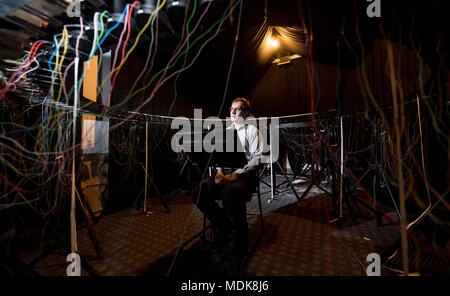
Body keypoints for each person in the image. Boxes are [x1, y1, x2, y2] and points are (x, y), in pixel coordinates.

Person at [192, 97, 263, 257]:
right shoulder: (226, 131)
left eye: (237, 109)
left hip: (245, 176)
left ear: (246, 113)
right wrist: (218, 171)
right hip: (225, 174)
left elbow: (258, 159)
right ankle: (224, 225)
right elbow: (220, 156)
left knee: (230, 194)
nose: (232, 112)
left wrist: (235, 175)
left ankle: (241, 237)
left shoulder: (253, 131)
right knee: (199, 192)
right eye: (231, 108)